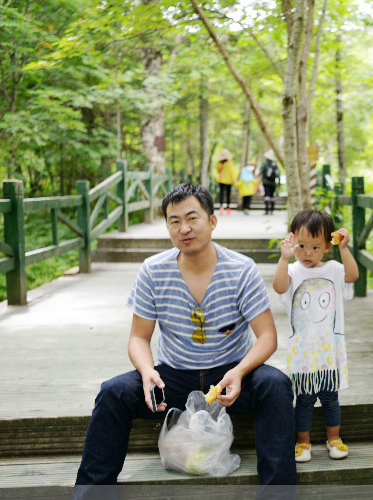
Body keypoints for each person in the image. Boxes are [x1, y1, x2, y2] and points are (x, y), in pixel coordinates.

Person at [74, 184, 296, 497]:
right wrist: (147, 370)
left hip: (230, 378)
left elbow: (268, 337)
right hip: (172, 380)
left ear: (212, 221)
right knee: (113, 393)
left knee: (275, 385)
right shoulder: (153, 270)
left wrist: (240, 372)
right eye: (174, 221)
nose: (184, 228)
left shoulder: (241, 269)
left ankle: (278, 494)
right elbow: (138, 337)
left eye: (192, 218)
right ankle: (91, 494)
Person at [272, 209, 359, 463]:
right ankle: (303, 442)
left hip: (329, 352)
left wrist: (345, 249)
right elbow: (278, 287)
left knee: (331, 398)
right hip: (302, 353)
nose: (307, 253)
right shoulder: (293, 272)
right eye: (301, 246)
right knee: (305, 399)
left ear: (327, 246)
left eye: (315, 247)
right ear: (291, 241)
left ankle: (334, 439)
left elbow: (352, 276)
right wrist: (284, 258)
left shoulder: (333, 269)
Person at [216, 149, 237, 215]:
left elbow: (217, 170)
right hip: (229, 181)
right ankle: (228, 208)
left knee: (221, 194)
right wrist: (234, 180)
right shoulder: (229, 163)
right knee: (228, 194)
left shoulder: (219, 163)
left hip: (221, 180)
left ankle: (221, 207)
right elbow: (232, 172)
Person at [260, 150, 280, 215]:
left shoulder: (265, 163)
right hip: (273, 183)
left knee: (266, 196)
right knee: (272, 196)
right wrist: (279, 183)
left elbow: (261, 171)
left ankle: (266, 210)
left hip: (266, 182)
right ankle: (272, 210)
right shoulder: (275, 164)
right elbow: (278, 174)